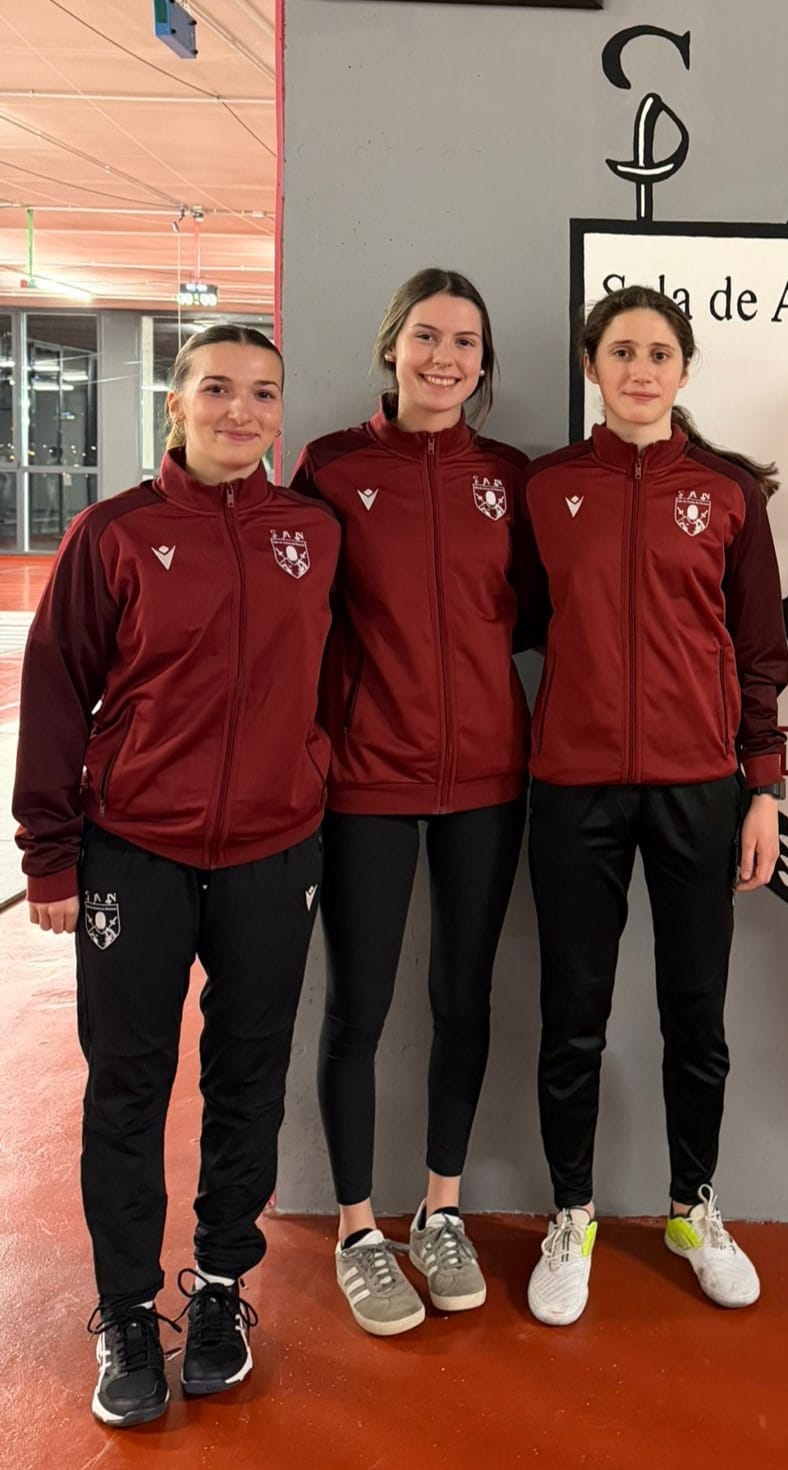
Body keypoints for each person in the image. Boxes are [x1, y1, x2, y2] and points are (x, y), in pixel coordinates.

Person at [13, 325, 339, 1426]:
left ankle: (218, 1292)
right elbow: (57, 695)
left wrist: (309, 775)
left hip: (273, 850)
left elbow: (337, 680)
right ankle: (122, 1312)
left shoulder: (313, 531)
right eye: (217, 389)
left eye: (261, 393)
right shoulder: (117, 533)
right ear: (178, 402)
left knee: (249, 1079)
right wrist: (50, 853)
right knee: (130, 1089)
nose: (239, 411)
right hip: (135, 855)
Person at [515, 284, 788, 1326]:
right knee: (572, 1019)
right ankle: (572, 1215)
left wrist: (761, 789)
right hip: (573, 790)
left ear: (684, 371)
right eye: (621, 350)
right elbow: (533, 624)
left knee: (695, 1018)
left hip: (698, 789)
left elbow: (761, 654)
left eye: (659, 352)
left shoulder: (725, 493)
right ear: (593, 366)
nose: (640, 368)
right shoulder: (548, 490)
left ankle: (692, 1206)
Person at [290, 268, 532, 1336]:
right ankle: (357, 1229)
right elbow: (303, 623)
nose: (446, 357)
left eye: (465, 341)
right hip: (367, 785)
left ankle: (441, 1209)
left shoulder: (511, 477)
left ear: (485, 363)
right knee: (358, 1008)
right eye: (427, 336)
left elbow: (524, 617)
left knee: (464, 1000)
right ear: (393, 347)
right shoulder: (332, 468)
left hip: (487, 779)